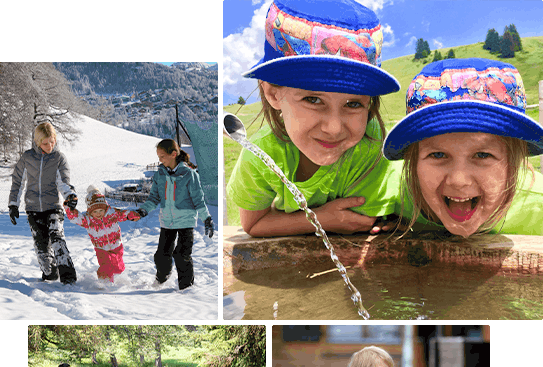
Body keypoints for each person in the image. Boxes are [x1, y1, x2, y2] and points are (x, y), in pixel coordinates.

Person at [226, 0, 403, 237]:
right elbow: (253, 224)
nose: (333, 128)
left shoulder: (370, 143)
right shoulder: (260, 155)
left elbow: (361, 222)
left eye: (353, 104)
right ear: (272, 93)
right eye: (313, 99)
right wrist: (322, 219)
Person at [383, 58, 543, 237]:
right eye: (437, 155)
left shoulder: (538, 206)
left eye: (482, 155)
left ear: (513, 159)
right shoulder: (393, 194)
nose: (458, 181)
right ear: (413, 162)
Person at [135, 139, 214, 290]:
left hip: (186, 221)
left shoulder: (189, 175)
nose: (160, 160)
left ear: (173, 154)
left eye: (162, 156)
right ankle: (162, 279)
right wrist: (143, 210)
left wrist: (207, 218)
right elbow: (154, 198)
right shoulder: (160, 175)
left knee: (181, 256)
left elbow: (198, 200)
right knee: (161, 256)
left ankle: (186, 289)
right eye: (159, 157)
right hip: (167, 221)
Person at [8, 122, 78, 283]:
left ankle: (69, 278)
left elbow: (63, 182)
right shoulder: (27, 157)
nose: (49, 146)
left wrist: (70, 195)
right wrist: (13, 204)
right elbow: (18, 181)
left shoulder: (58, 158)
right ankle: (50, 274)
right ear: (37, 142)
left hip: (53, 206)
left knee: (57, 238)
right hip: (33, 208)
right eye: (45, 143)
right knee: (42, 249)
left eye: (52, 141)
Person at [64, 184, 141, 283]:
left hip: (116, 246)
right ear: (90, 210)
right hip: (101, 248)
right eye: (95, 211)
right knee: (106, 266)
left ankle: (118, 281)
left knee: (118, 268)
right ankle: (104, 283)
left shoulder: (111, 213)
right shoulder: (88, 220)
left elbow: (123, 214)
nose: (99, 213)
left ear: (105, 208)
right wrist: (69, 208)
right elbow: (75, 218)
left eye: (101, 210)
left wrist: (131, 215)